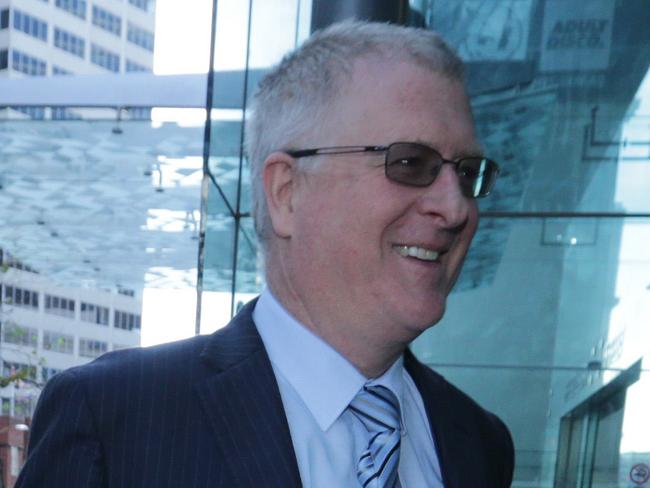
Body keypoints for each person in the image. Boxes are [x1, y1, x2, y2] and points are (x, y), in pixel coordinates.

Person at [17, 21, 514, 488]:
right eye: (411, 163)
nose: (455, 208)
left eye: (468, 172)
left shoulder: (478, 442)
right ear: (286, 193)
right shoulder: (116, 415)